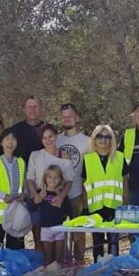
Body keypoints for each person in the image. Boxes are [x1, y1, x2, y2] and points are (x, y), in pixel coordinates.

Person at [83, 125, 128, 261]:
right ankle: (98, 270)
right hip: (95, 208)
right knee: (97, 242)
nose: (103, 140)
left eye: (107, 137)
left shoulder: (120, 157)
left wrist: (125, 205)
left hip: (114, 208)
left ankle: (112, 271)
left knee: (113, 243)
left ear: (112, 140)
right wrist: (84, 207)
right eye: (99, 136)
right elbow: (83, 185)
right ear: (94, 139)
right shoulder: (88, 159)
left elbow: (125, 183)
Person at [27, 125, 74, 253]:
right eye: (44, 138)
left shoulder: (65, 155)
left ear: (56, 136)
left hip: (57, 200)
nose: (48, 140)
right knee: (40, 239)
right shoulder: (35, 155)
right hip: (40, 201)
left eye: (50, 136)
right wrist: (35, 196)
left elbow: (69, 180)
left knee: (59, 238)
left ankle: (60, 266)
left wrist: (61, 197)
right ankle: (44, 266)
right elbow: (30, 178)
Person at [55, 103, 91, 264]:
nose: (67, 119)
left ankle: (80, 262)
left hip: (78, 192)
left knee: (78, 233)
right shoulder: (56, 140)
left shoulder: (87, 141)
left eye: (70, 116)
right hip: (58, 193)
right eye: (64, 116)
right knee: (60, 232)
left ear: (77, 118)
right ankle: (64, 263)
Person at [35, 165, 70, 265]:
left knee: (59, 259)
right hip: (46, 228)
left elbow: (69, 211)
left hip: (59, 228)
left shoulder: (62, 194)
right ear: (45, 178)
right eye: (50, 177)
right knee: (48, 258)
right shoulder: (41, 192)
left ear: (60, 179)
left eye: (56, 177)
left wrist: (60, 205)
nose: (52, 180)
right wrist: (39, 199)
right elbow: (32, 207)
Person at [9, 95, 53, 164]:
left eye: (35, 106)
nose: (32, 109)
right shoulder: (15, 130)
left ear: (41, 109)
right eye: (29, 107)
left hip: (45, 171)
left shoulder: (49, 129)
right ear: (24, 109)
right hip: (21, 171)